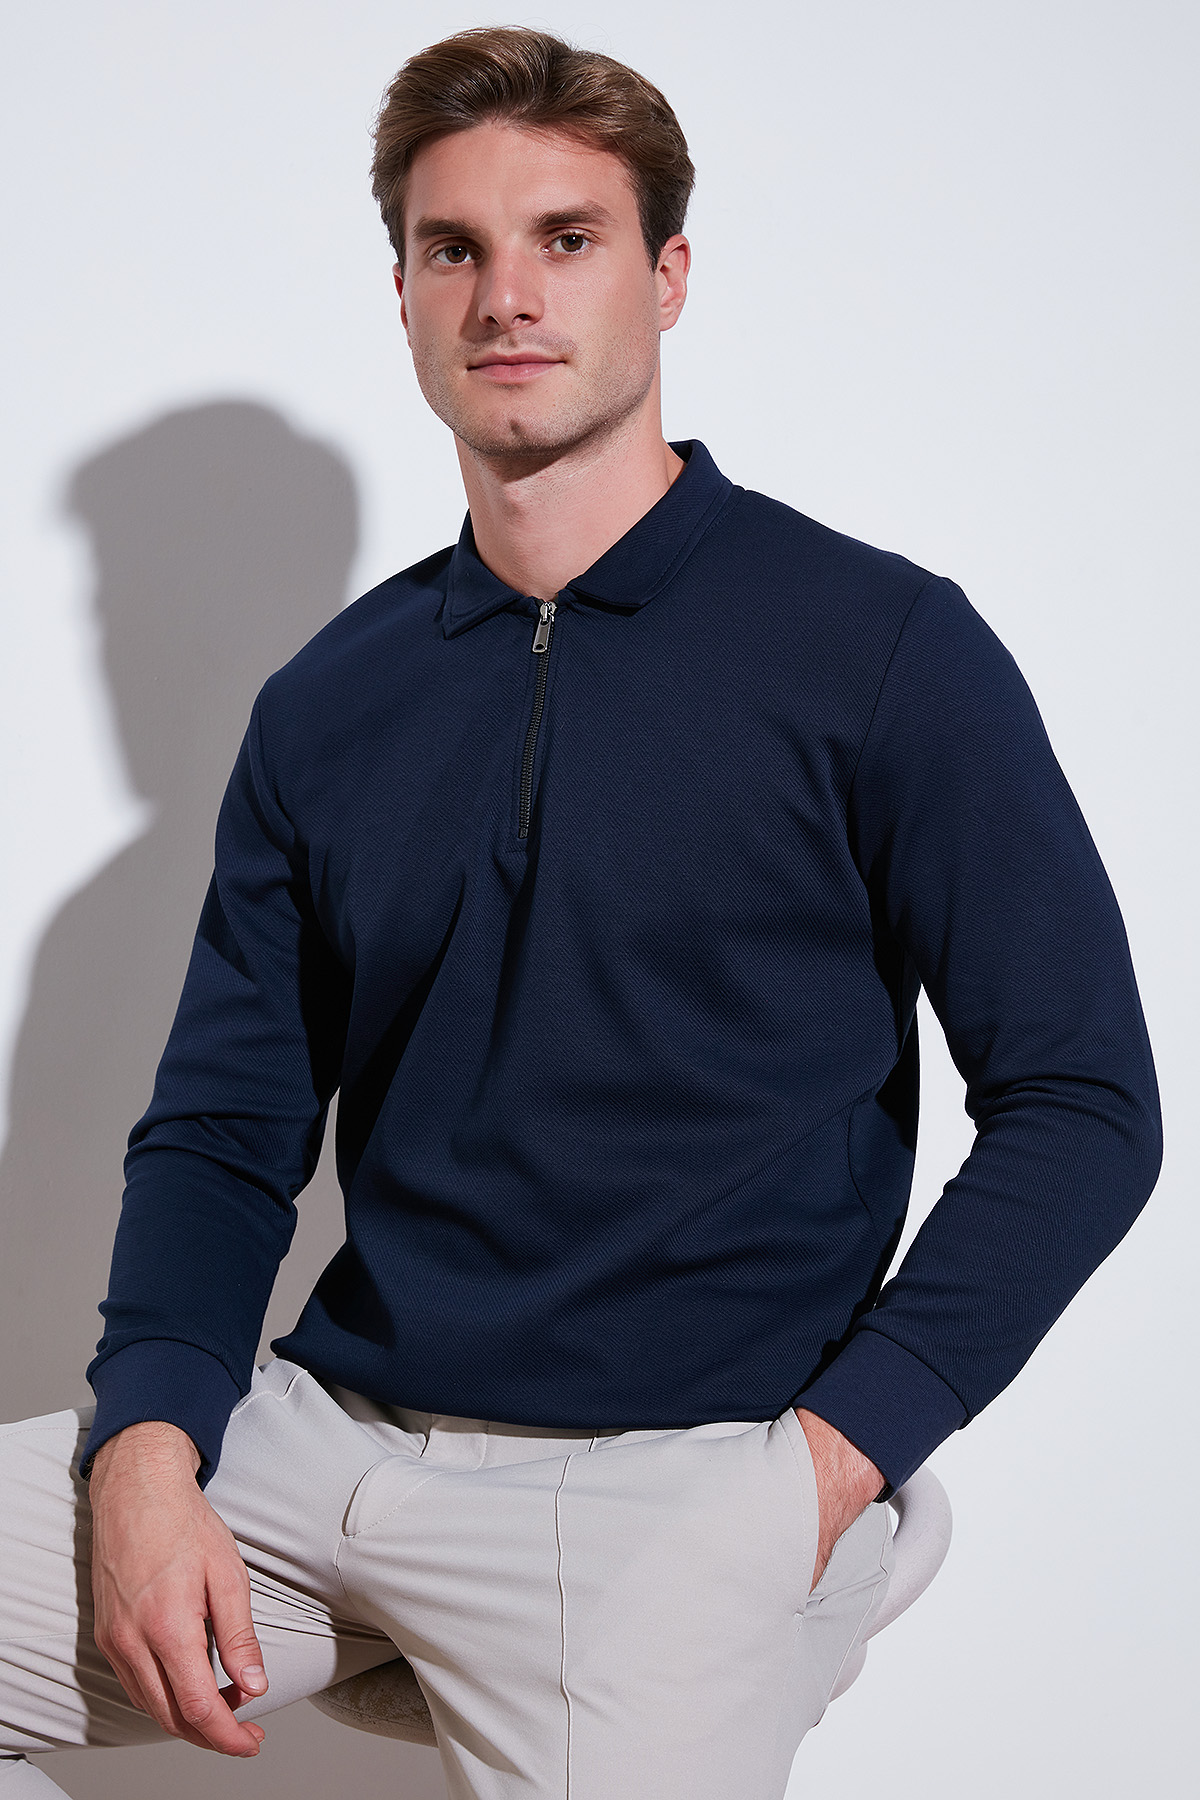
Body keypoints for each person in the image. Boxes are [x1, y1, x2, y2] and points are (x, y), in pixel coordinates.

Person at [0, 24, 1161, 1800]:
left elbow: (1083, 1102)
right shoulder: (329, 706)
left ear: (669, 275)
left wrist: (831, 1463)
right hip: (324, 1444)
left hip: (677, 1492)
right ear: (402, 294)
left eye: (567, 238)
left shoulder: (882, 651)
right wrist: (152, 1442)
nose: (506, 297)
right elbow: (225, 1134)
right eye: (452, 248)